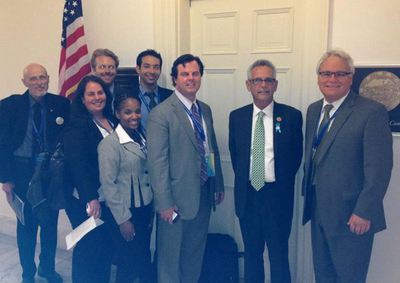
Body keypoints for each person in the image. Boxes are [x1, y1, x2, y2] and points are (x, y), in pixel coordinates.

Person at [302, 49, 393, 283]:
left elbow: (379, 168)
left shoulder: (371, 112)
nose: (332, 79)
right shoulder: (314, 110)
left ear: (351, 78)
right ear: (319, 77)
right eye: (326, 73)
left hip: (352, 216)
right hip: (319, 210)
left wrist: (364, 211)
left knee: (349, 276)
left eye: (340, 73)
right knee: (323, 274)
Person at [147, 54, 224, 283]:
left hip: (202, 194)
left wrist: (215, 182)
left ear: (200, 76)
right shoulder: (161, 114)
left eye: (195, 73)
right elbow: (157, 162)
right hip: (174, 201)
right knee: (170, 259)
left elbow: (209, 149)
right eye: (184, 74)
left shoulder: (205, 110)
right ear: (174, 79)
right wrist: (164, 203)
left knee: (194, 254)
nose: (190, 78)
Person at [229, 59, 303, 283]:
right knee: (252, 255)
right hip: (248, 196)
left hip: (277, 197)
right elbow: (236, 155)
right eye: (257, 80)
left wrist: (278, 183)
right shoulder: (237, 116)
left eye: (268, 80)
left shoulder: (291, 116)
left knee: (279, 255)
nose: (263, 85)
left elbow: (295, 157)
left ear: (276, 85)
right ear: (248, 84)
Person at [0, 63, 69, 283]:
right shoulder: (10, 106)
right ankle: (27, 273)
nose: (39, 82)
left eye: (42, 77)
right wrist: (6, 179)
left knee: (49, 224)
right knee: (26, 226)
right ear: (24, 82)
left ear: (48, 79)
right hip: (22, 172)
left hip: (51, 174)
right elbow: (2, 144)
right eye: (33, 79)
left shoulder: (61, 104)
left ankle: (47, 269)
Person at [63, 75, 115, 283]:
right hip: (87, 198)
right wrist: (90, 198)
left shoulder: (111, 120)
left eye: (100, 92)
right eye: (91, 94)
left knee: (104, 246)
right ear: (82, 99)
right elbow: (78, 165)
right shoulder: (77, 125)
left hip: (108, 196)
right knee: (88, 247)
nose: (97, 97)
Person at [98, 93, 153, 283]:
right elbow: (108, 184)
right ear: (118, 113)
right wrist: (123, 220)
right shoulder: (110, 144)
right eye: (128, 112)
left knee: (142, 257)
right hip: (126, 212)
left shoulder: (141, 135)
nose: (134, 116)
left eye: (137, 111)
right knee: (127, 263)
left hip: (144, 206)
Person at [134, 49, 173, 129]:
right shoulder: (129, 95)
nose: (152, 71)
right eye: (146, 66)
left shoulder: (170, 96)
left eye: (156, 67)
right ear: (138, 69)